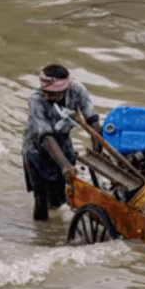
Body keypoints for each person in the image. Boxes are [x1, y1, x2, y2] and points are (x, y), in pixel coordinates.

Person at [23, 64, 102, 220]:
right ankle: (43, 236)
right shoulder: (36, 100)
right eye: (44, 92)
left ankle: (57, 224)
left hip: (63, 143)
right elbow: (46, 136)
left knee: (61, 197)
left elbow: (93, 121)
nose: (46, 96)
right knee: (41, 199)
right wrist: (65, 165)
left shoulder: (76, 90)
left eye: (51, 94)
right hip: (36, 150)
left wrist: (97, 155)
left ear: (64, 89)